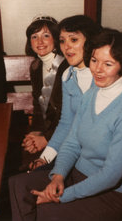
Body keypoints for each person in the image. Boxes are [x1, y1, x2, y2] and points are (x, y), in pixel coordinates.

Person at [9, 29, 122, 221]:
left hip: (109, 194)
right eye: (94, 60)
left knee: (44, 212)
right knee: (18, 185)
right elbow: (72, 141)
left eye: (108, 64)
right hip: (77, 172)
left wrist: (63, 195)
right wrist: (58, 175)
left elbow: (110, 176)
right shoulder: (93, 92)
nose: (97, 69)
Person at [29, 15, 122, 170]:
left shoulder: (107, 74)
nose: (66, 47)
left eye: (74, 40)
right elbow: (66, 124)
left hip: (105, 162)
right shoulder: (68, 75)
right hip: (76, 153)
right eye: (62, 40)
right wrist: (45, 158)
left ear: (89, 41)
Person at [20, 16, 69, 167]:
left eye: (46, 35)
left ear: (55, 39)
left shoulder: (66, 66)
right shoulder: (35, 66)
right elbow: (38, 105)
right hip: (46, 132)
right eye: (34, 37)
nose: (39, 42)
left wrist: (46, 139)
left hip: (66, 137)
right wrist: (35, 133)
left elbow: (68, 114)